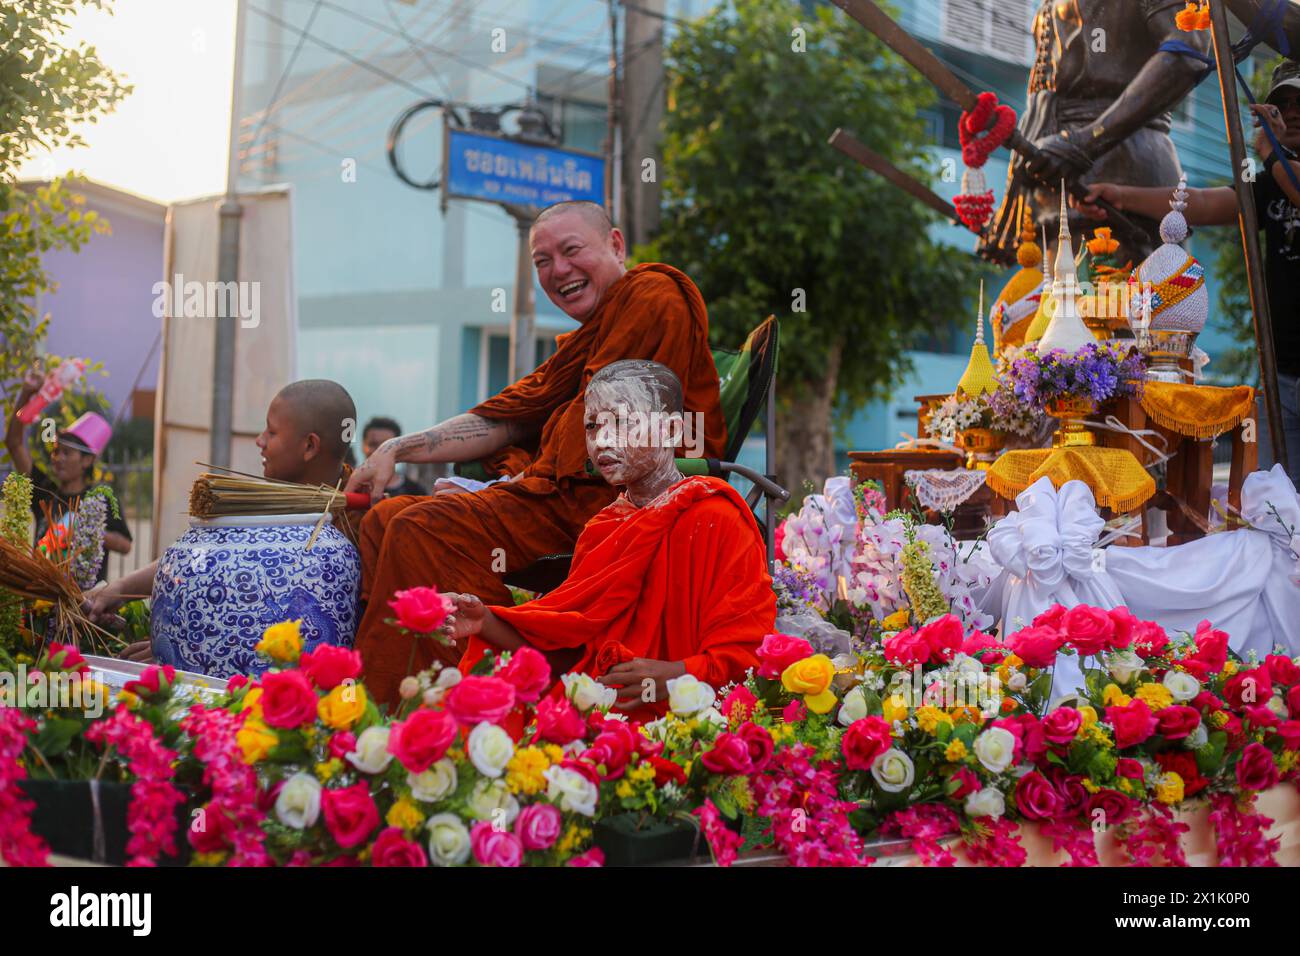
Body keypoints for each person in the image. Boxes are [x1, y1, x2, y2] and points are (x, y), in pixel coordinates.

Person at [346, 200, 728, 709]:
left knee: (422, 527)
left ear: (616, 244)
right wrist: (396, 448)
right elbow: (513, 415)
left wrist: (508, 483)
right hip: (554, 500)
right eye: (542, 261)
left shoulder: (653, 295)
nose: (558, 271)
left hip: (619, 504)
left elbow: (610, 429)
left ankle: (483, 692)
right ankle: (404, 696)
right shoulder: (588, 340)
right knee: (385, 518)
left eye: (571, 251)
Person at [444, 361, 774, 721]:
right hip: (601, 725)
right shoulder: (603, 529)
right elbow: (571, 654)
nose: (602, 440)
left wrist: (677, 674)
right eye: (592, 426)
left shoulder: (718, 519)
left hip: (687, 727)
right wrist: (486, 623)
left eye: (621, 422)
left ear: (673, 431)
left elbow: (750, 655)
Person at [1078, 62, 1300, 476]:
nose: (1293, 112)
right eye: (1282, 104)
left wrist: (1271, 153)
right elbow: (1201, 201)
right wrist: (1121, 196)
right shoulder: (1270, 176)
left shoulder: (1277, 168)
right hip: (1283, 372)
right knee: (1276, 501)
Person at [86, 379, 357, 658]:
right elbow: (201, 558)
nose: (259, 440)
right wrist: (123, 589)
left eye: (272, 432)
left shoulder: (359, 521)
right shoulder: (270, 502)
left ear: (310, 446)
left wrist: (192, 652)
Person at [6, 368, 131, 583]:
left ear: (87, 460)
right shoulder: (45, 491)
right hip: (41, 600)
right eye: (55, 451)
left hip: (83, 604)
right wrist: (26, 393)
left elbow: (125, 545)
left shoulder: (99, 499)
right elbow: (14, 443)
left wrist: (84, 529)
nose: (58, 458)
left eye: (67, 453)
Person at [360, 417, 427, 497]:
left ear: (399, 449)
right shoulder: (346, 485)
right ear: (362, 446)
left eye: (387, 446)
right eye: (373, 444)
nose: (379, 451)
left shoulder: (416, 492)